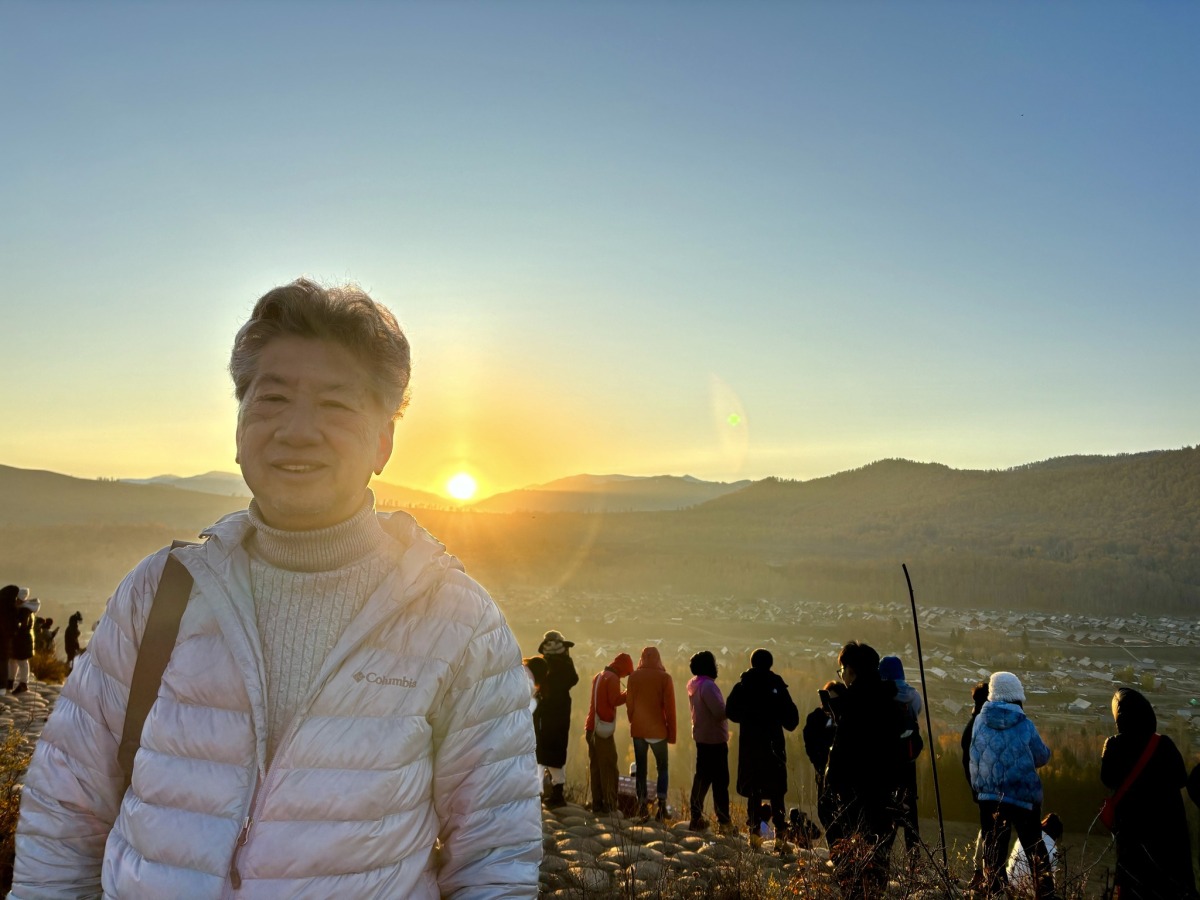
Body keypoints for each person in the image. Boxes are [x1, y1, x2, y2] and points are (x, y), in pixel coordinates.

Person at [13, 278, 542, 897]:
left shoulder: (456, 622)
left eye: (336, 405)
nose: (297, 429)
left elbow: (494, 859)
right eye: (273, 398)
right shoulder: (162, 592)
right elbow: (65, 811)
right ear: (239, 426)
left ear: (383, 441)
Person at [822, 641, 903, 897]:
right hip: (884, 790)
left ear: (851, 670)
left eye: (842, 671)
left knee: (853, 855)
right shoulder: (891, 701)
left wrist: (830, 785)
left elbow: (843, 751)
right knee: (878, 852)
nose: (842, 677)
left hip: (854, 791)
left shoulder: (853, 704)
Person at [1100, 687, 1196, 900]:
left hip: (1133, 835)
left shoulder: (1114, 745)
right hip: (1168, 834)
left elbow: (1107, 779)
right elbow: (1181, 779)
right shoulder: (1164, 744)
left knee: (1134, 887)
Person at [970, 671, 1056, 900]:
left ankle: (995, 893)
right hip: (1022, 797)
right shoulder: (1025, 724)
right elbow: (1041, 756)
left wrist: (979, 788)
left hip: (989, 798)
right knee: (1035, 849)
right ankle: (1046, 893)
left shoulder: (979, 721)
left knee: (994, 854)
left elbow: (974, 758)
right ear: (1017, 695)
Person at [725, 647, 799, 853]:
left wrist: (747, 717)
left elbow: (730, 711)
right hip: (774, 746)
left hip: (750, 746)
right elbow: (792, 720)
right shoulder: (777, 686)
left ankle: (754, 836)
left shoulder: (743, 685)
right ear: (770, 664)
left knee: (754, 791)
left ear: (752, 663)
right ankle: (781, 838)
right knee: (777, 792)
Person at [626, 645, 677, 820]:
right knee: (662, 768)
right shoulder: (665, 678)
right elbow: (670, 709)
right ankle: (661, 806)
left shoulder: (633, 677)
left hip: (639, 729)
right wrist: (671, 734)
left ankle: (642, 806)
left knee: (641, 769)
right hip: (658, 731)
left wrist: (633, 720)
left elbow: (630, 704)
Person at [878, 655, 922, 858]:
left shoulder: (881, 695)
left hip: (886, 762)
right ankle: (915, 860)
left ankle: (882, 856)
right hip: (908, 761)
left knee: (887, 812)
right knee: (910, 811)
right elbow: (917, 713)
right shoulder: (914, 696)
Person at [686, 650, 732, 833]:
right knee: (720, 782)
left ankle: (695, 817)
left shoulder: (694, 684)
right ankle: (724, 822)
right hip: (715, 739)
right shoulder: (708, 686)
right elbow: (719, 713)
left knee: (702, 779)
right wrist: (732, 708)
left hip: (701, 737)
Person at [533, 629, 579, 808]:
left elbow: (536, 685)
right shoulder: (566, 663)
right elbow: (574, 679)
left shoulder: (544, 665)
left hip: (544, 712)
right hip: (562, 712)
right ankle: (557, 793)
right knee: (558, 751)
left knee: (540, 752)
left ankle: (537, 792)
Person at [585, 651, 633, 814]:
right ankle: (610, 805)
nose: (626, 676)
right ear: (623, 668)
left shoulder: (599, 675)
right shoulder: (613, 678)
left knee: (596, 767)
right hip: (602, 731)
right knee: (610, 767)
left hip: (591, 727)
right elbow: (614, 700)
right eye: (627, 673)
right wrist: (628, 693)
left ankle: (597, 804)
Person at [961, 680, 990, 891]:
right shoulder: (982, 725)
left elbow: (966, 762)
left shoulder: (973, 725)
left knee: (988, 830)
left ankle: (981, 873)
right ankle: (984, 875)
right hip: (989, 788)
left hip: (981, 789)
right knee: (991, 832)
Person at [1007, 812, 1063, 894]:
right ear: (1056, 835)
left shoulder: (1022, 839)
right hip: (1031, 892)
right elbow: (1049, 880)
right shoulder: (1053, 851)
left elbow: (1012, 864)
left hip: (1010, 885)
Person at [9, 587, 40, 694]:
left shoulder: (24, 611)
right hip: (21, 639)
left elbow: (22, 625)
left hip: (22, 640)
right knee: (13, 661)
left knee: (22, 662)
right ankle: (11, 681)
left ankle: (23, 684)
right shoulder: (25, 609)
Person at [0, 584, 16, 696]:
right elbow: (13, 626)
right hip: (4, 640)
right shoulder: (11, 608)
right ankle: (2, 686)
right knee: (3, 662)